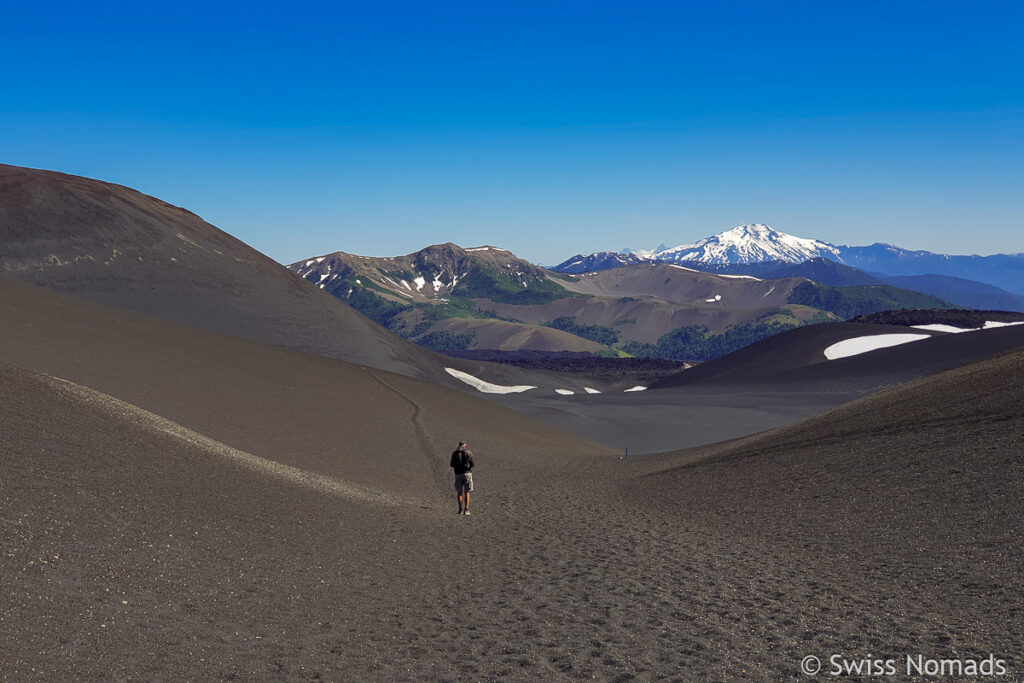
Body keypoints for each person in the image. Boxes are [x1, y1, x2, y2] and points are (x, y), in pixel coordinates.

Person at [450, 441, 474, 515]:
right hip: (467, 474)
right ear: (465, 446)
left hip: (458, 474)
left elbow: (451, 464)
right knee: (467, 492)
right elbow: (472, 463)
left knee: (459, 492)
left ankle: (460, 509)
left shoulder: (454, 453)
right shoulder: (469, 452)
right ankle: (466, 509)